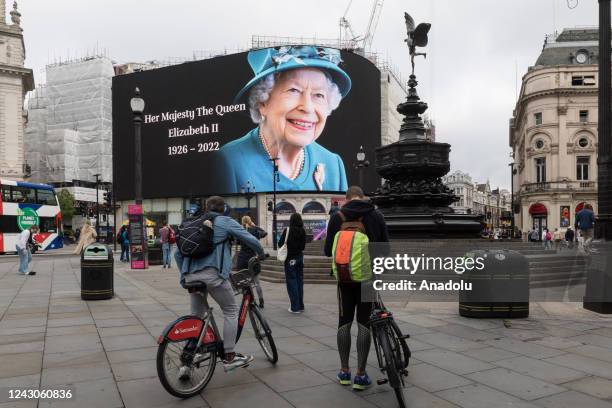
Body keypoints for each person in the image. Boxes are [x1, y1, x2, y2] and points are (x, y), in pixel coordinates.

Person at [219, 46, 352, 193]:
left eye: (319, 95)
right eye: (293, 90)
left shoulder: (333, 165)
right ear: (262, 102)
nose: (307, 107)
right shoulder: (229, 162)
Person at [175, 196, 265, 373]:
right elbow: (251, 239)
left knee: (196, 316)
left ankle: (188, 361)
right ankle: (229, 356)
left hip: (192, 277)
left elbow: (178, 255)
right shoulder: (224, 221)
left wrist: (185, 275)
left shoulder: (193, 223)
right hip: (213, 275)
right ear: (223, 208)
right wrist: (261, 254)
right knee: (230, 310)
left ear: (207, 207)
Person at [324, 186, 389, 391]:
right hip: (369, 279)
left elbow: (328, 251)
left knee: (344, 322)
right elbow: (384, 250)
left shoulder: (337, 217)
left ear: (346, 198)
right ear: (363, 196)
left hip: (344, 280)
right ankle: (361, 375)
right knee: (364, 324)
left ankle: (344, 371)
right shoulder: (376, 215)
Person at [278, 213, 306, 313]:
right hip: (300, 257)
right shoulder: (302, 231)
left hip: (290, 258)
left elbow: (280, 243)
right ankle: (301, 305)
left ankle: (295, 307)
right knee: (299, 281)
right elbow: (303, 246)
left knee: (291, 282)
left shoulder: (288, 230)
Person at [236, 216, 267, 308]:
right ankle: (261, 300)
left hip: (242, 259)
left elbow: (237, 242)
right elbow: (265, 233)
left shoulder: (240, 231)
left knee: (245, 282)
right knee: (256, 282)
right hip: (253, 258)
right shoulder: (254, 230)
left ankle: (249, 300)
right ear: (250, 221)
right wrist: (255, 226)